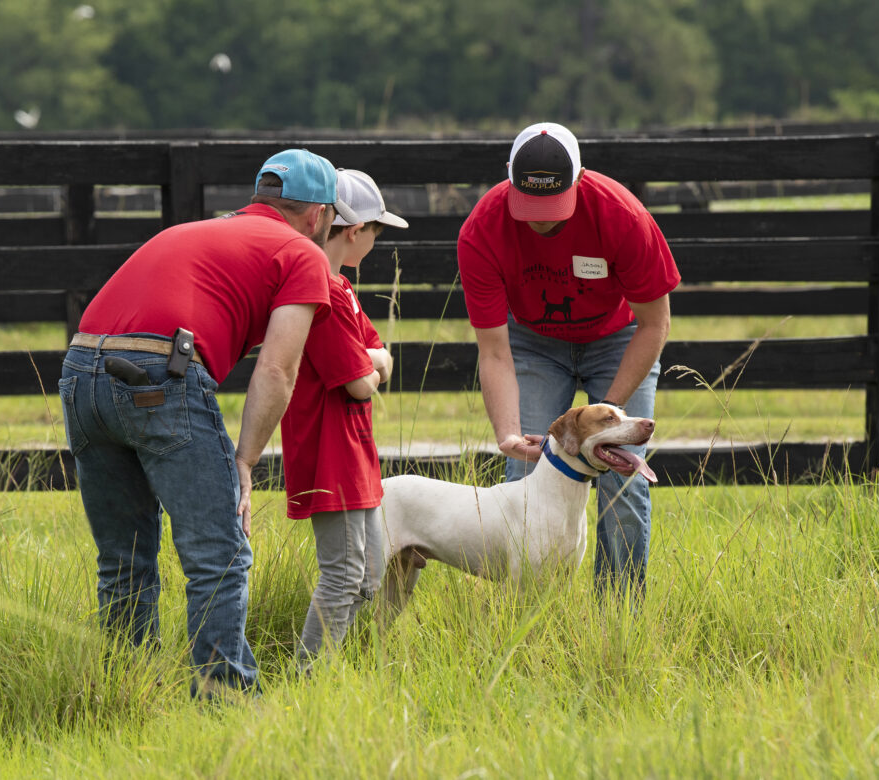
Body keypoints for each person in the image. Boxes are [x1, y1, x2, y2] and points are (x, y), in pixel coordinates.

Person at [59, 148, 357, 697]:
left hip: (80, 369)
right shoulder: (302, 253)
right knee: (219, 556)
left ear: (260, 197)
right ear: (319, 216)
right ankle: (225, 701)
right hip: (159, 373)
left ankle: (126, 694)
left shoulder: (193, 231)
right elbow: (278, 368)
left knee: (123, 561)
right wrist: (243, 461)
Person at [457, 122, 680, 597]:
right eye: (530, 207)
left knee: (623, 483)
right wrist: (507, 434)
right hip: (533, 341)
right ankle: (526, 614)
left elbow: (655, 325)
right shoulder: (483, 228)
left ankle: (618, 615)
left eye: (553, 207)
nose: (541, 220)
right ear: (510, 181)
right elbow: (495, 351)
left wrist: (601, 421)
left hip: (618, 339)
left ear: (580, 179)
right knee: (524, 472)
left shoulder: (622, 215)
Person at [279, 169, 407, 672]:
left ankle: (325, 672)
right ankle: (306, 681)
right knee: (343, 574)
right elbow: (360, 382)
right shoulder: (323, 293)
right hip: (330, 453)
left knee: (369, 575)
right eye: (377, 231)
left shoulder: (344, 289)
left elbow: (380, 358)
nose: (376, 241)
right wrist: (370, 364)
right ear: (355, 231)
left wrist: (369, 362)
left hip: (355, 452)